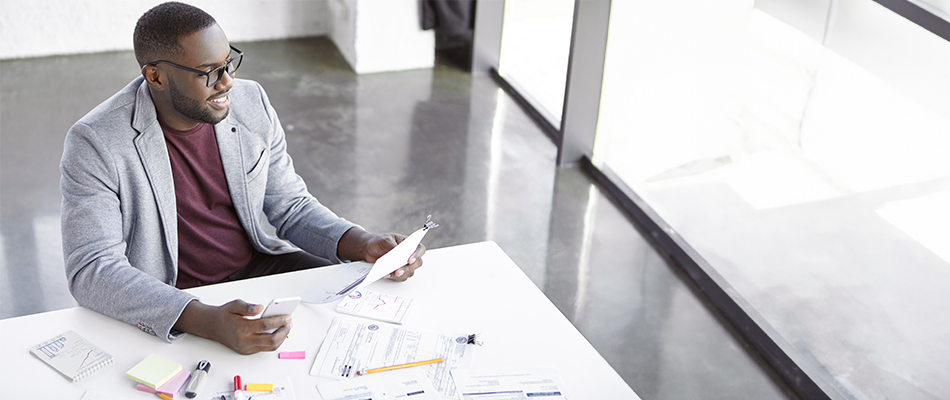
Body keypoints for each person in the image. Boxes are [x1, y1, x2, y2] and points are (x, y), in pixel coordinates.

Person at [59, 2, 424, 355]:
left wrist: (363, 243)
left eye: (228, 62)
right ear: (155, 76)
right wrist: (204, 320)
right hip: (174, 294)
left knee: (361, 320)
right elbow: (92, 269)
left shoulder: (251, 102)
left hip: (258, 266)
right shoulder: (96, 141)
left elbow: (290, 206)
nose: (227, 82)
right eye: (208, 72)